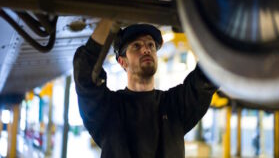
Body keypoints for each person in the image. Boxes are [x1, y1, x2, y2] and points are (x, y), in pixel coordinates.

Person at [73, 19, 217, 158]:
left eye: (151, 45)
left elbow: (205, 79)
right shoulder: (109, 110)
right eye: (136, 46)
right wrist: (109, 18)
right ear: (122, 62)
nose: (146, 49)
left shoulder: (175, 106)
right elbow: (85, 74)